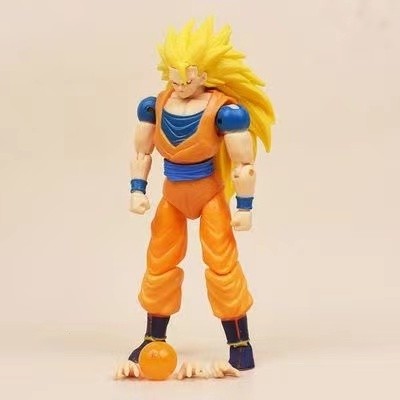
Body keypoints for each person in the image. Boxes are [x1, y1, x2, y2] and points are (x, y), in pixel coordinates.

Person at [126, 17, 274, 375]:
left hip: (209, 195)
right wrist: (137, 189)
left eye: (188, 76)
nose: (180, 84)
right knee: (159, 263)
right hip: (172, 195)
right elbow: (142, 152)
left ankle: (239, 342)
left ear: (205, 73)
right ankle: (153, 338)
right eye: (174, 76)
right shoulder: (154, 105)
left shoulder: (226, 112)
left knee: (222, 265)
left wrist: (245, 207)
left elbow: (243, 164)